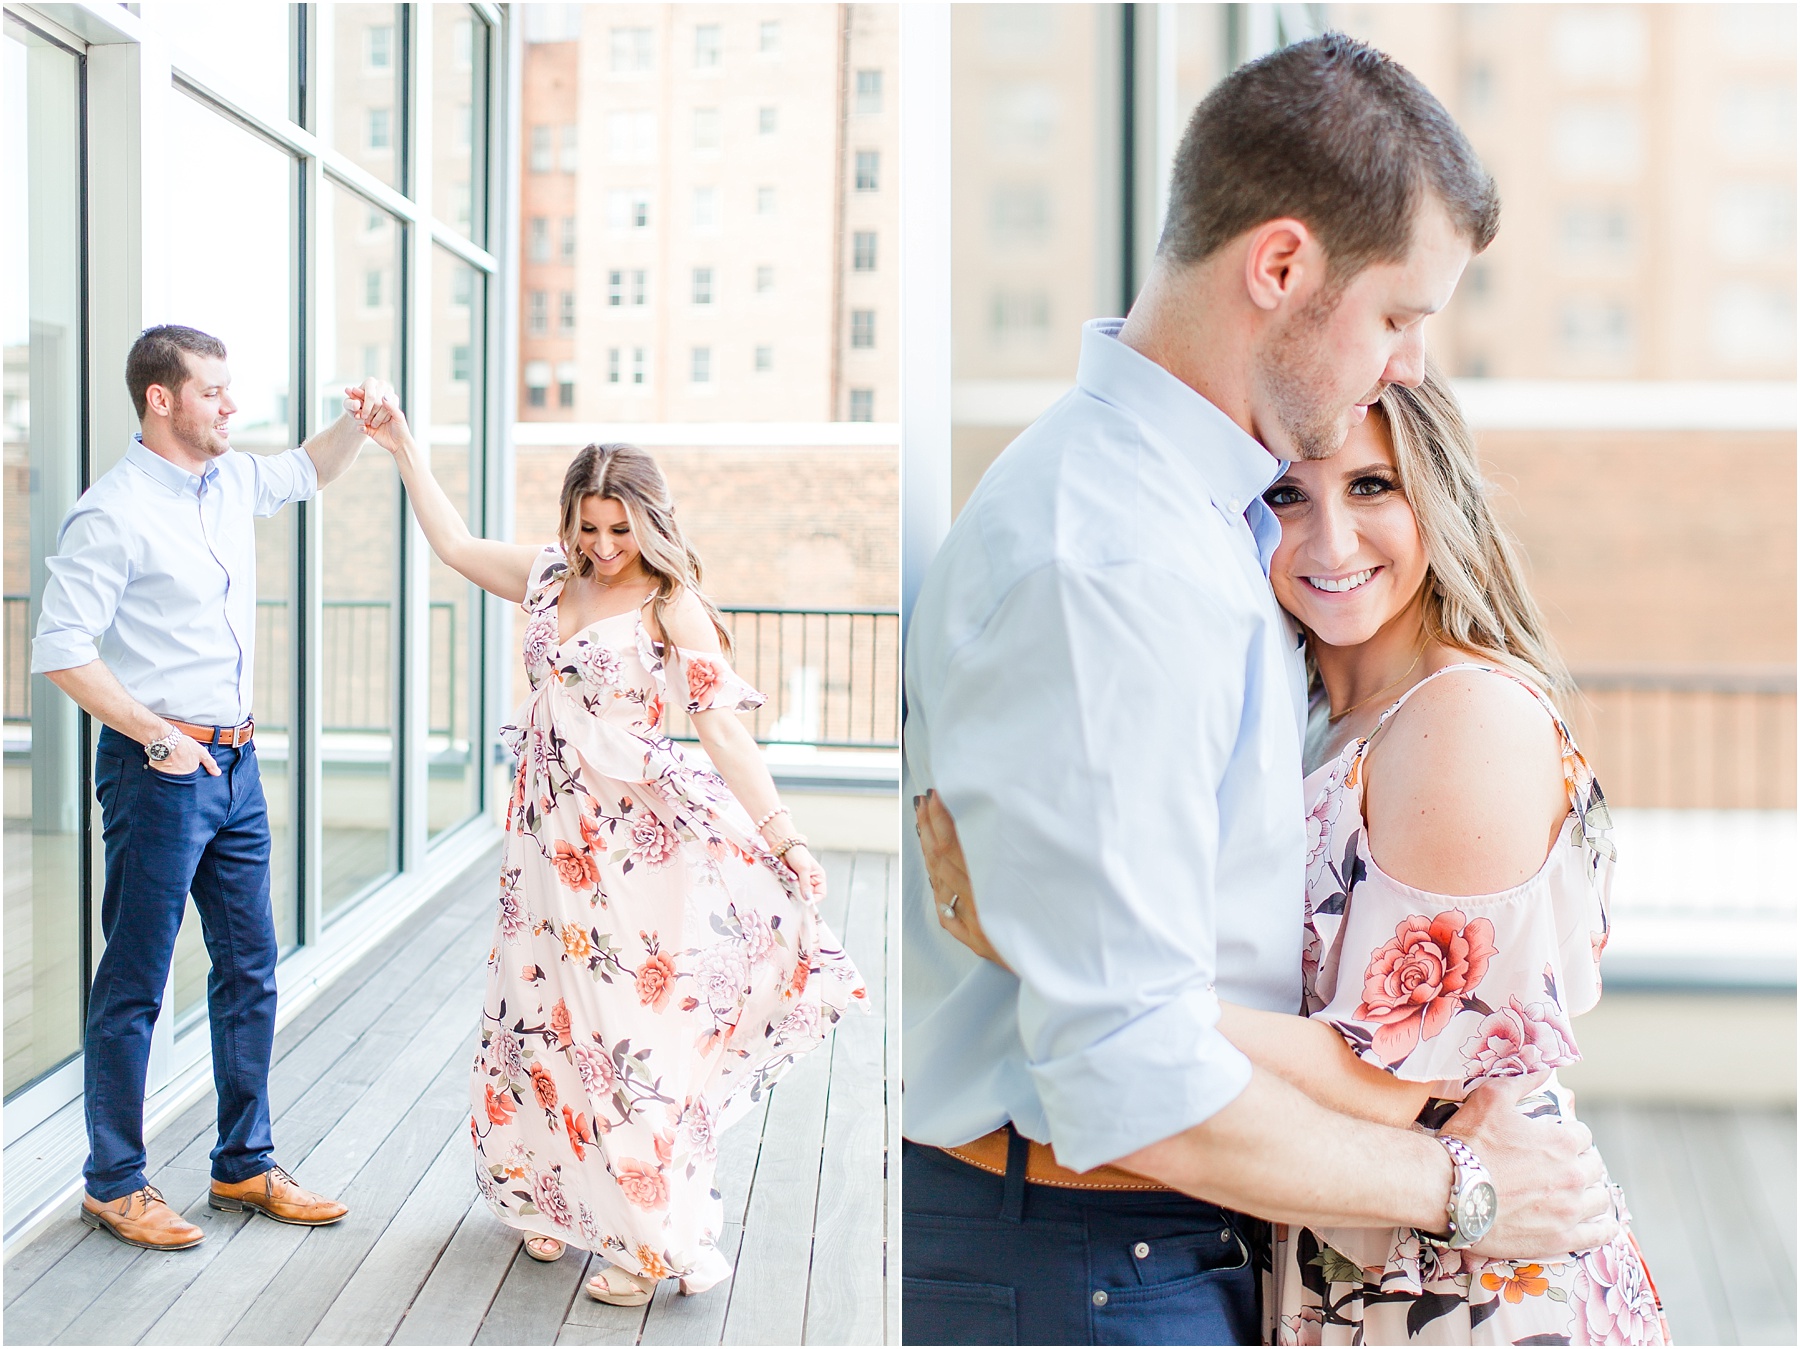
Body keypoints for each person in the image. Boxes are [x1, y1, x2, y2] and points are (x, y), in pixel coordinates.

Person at [899, 36, 1615, 1346]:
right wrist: (1462, 1183)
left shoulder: (1184, 522)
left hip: (1147, 1239)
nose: (1406, 363)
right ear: (1282, 266)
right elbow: (1129, 1068)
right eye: (1400, 313)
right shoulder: (1114, 559)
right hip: (1083, 1251)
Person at [916, 367, 1671, 1345]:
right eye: (1288, 495)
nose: (1331, 540)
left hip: (1467, 1285)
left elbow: (1395, 1080)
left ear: (1437, 496)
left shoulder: (1461, 719)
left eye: (1371, 486)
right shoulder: (1311, 706)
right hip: (1341, 1250)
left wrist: (1066, 955)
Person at [354, 406, 864, 1305]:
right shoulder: (551, 579)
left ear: (652, 520)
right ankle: (554, 1198)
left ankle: (647, 1236)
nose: (603, 545)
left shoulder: (674, 606)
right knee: (540, 1016)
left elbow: (724, 734)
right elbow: (455, 544)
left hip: (630, 852)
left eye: (620, 528)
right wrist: (402, 448)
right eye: (588, 527)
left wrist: (784, 833)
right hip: (543, 847)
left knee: (621, 1036)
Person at [31, 324, 387, 1250]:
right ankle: (114, 1180)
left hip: (236, 764)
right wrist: (155, 736)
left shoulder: (227, 481)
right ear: (162, 398)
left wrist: (360, 422)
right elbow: (63, 648)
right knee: (137, 982)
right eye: (215, 392)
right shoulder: (110, 512)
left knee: (249, 967)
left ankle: (244, 1161)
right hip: (160, 769)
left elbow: (307, 469)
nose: (232, 405)